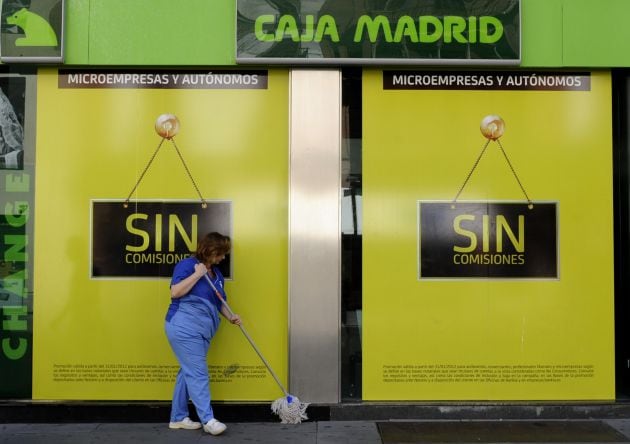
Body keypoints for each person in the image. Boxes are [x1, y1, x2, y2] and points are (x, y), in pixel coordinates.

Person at [164, 232, 241, 435]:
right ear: (210, 250)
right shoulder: (188, 265)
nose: (223, 258)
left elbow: (219, 302)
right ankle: (208, 420)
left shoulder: (217, 275)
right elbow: (175, 292)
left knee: (188, 372)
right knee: (197, 373)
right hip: (184, 327)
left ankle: (178, 417)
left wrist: (230, 316)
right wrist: (198, 274)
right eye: (220, 254)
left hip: (203, 331)